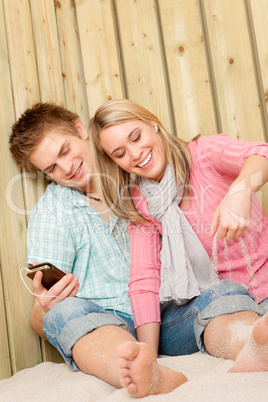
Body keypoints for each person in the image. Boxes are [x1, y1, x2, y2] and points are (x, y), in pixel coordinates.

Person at [89, 98, 268, 373]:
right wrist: (147, 357)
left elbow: (260, 154)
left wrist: (240, 189)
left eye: (136, 137)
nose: (135, 154)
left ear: (153, 125)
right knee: (221, 295)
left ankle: (257, 342)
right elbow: (144, 278)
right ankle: (251, 348)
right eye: (120, 153)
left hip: (262, 286)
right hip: (203, 303)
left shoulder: (204, 154)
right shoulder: (141, 202)